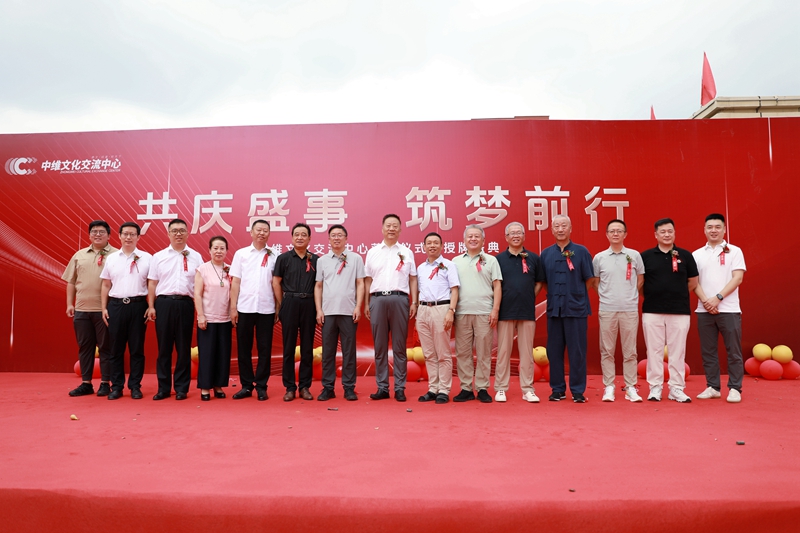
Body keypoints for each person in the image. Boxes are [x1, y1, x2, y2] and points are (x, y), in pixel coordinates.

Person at [640, 218, 699, 403]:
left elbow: (693, 282)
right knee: (654, 351)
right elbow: (640, 284)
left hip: (679, 311)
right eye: (663, 232)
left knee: (677, 351)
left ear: (674, 233)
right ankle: (655, 387)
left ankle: (676, 388)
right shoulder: (646, 256)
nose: (667, 235)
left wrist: (676, 294)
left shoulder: (685, 255)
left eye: (670, 231)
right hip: (652, 311)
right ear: (656, 235)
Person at [146, 218, 203, 401]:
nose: (178, 234)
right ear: (168, 234)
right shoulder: (158, 256)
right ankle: (163, 388)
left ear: (187, 233)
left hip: (186, 304)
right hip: (164, 304)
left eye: (182, 230)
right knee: (164, 348)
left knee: (183, 348)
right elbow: (152, 283)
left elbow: (200, 285)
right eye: (175, 231)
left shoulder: (196, 257)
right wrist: (151, 306)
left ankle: (181, 388)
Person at [364, 214, 418, 402]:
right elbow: (368, 280)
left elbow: (413, 278)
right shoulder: (373, 252)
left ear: (400, 229)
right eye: (388, 225)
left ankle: (400, 388)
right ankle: (382, 387)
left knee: (399, 347)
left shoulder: (407, 252)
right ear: (382, 228)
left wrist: (414, 302)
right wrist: (367, 303)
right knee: (379, 347)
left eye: (395, 225)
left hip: (400, 299)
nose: (391, 228)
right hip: (377, 300)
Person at [540, 215, 594, 403]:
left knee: (577, 351)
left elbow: (590, 279)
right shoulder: (546, 254)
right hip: (555, 309)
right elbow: (544, 282)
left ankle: (578, 390)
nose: (560, 229)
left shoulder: (581, 251)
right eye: (557, 226)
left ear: (570, 229)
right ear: (552, 230)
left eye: (564, 226)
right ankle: (557, 389)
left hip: (576, 309)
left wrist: (576, 293)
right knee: (554, 351)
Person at [692, 214, 746, 403]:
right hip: (704, 310)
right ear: (704, 230)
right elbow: (693, 282)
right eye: (710, 227)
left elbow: (738, 278)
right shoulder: (696, 254)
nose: (713, 230)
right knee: (708, 351)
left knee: (733, 351)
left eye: (717, 227)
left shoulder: (735, 251)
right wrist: (706, 301)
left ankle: (735, 388)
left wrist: (718, 298)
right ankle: (713, 387)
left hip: (729, 310)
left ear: (724, 229)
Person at [591, 219, 645, 403]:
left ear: (625, 234)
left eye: (619, 231)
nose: (615, 234)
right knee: (607, 350)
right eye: (612, 231)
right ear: (606, 234)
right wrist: (606, 296)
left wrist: (630, 295)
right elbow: (595, 282)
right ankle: (609, 386)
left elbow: (640, 279)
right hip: (607, 309)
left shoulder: (634, 255)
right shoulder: (599, 258)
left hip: (629, 309)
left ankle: (630, 387)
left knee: (630, 351)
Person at [63, 220, 117, 397]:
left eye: (102, 232)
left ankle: (105, 383)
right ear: (89, 235)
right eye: (94, 231)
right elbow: (71, 281)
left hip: (105, 310)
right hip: (81, 309)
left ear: (109, 235)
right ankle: (86, 383)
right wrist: (70, 304)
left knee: (105, 348)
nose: (97, 234)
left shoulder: (116, 255)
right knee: (85, 347)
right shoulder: (79, 255)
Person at [100, 222, 151, 400]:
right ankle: (117, 387)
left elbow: (152, 284)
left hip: (138, 306)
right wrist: (103, 308)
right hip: (116, 306)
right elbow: (106, 284)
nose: (128, 237)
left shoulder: (147, 258)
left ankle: (135, 386)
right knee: (116, 349)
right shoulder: (111, 258)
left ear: (138, 237)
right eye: (125, 234)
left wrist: (150, 306)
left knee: (137, 349)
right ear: (119, 236)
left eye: (132, 234)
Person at [314, 224, 365, 401]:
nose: (336, 238)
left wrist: (358, 307)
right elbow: (318, 286)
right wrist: (319, 309)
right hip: (328, 313)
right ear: (329, 239)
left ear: (346, 238)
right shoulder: (322, 260)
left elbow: (360, 283)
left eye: (340, 235)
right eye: (333, 235)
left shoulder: (356, 258)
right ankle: (328, 387)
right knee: (328, 352)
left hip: (348, 312)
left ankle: (349, 387)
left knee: (349, 352)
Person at [495, 222, 544, 403]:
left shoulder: (533, 258)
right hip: (505, 311)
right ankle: (501, 388)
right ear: (506, 237)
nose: (515, 235)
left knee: (527, 353)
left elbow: (539, 282)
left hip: (526, 311)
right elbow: (495, 284)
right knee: (503, 352)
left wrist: (529, 297)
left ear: (524, 236)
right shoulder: (498, 259)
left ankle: (527, 389)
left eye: (519, 232)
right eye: (512, 233)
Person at [452, 225, 502, 404]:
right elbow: (452, 288)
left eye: (477, 236)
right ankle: (466, 388)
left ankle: (482, 388)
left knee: (484, 352)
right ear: (464, 240)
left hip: (484, 313)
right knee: (463, 352)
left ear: (483, 240)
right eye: (470, 236)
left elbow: (497, 285)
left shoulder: (491, 260)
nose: (473, 239)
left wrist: (495, 309)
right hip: (462, 312)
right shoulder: (455, 261)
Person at [229, 219, 277, 401]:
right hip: (245, 307)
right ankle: (246, 385)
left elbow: (277, 284)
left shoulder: (275, 255)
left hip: (266, 308)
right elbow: (236, 282)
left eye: (265, 230)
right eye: (258, 230)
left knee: (265, 349)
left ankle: (262, 386)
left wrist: (278, 306)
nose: (261, 233)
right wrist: (233, 307)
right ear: (251, 232)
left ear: (269, 234)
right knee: (244, 348)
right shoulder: (241, 254)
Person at [273, 222, 319, 402]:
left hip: (309, 304)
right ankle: (290, 387)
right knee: (288, 348)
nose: (300, 237)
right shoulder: (283, 258)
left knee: (307, 347)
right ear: (292, 238)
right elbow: (276, 282)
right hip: (290, 303)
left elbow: (319, 285)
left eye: (303, 235)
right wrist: (282, 303)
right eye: (296, 234)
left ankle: (305, 387)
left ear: (309, 238)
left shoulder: (316, 260)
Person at [415, 232, 460, 404]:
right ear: (424, 247)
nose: (432, 245)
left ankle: (444, 389)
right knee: (428, 353)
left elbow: (455, 290)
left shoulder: (449, 265)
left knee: (443, 353)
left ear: (441, 246)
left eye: (436, 243)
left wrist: (451, 311)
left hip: (441, 308)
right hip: (423, 310)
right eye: (429, 243)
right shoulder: (420, 268)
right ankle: (433, 388)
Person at [194, 235, 233, 401]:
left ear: (227, 251)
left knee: (222, 355)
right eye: (215, 248)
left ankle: (218, 385)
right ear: (209, 250)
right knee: (207, 354)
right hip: (208, 319)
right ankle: (205, 387)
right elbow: (197, 294)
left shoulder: (230, 270)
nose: (218, 251)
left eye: (222, 248)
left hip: (225, 319)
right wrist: (201, 315)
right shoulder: (202, 269)